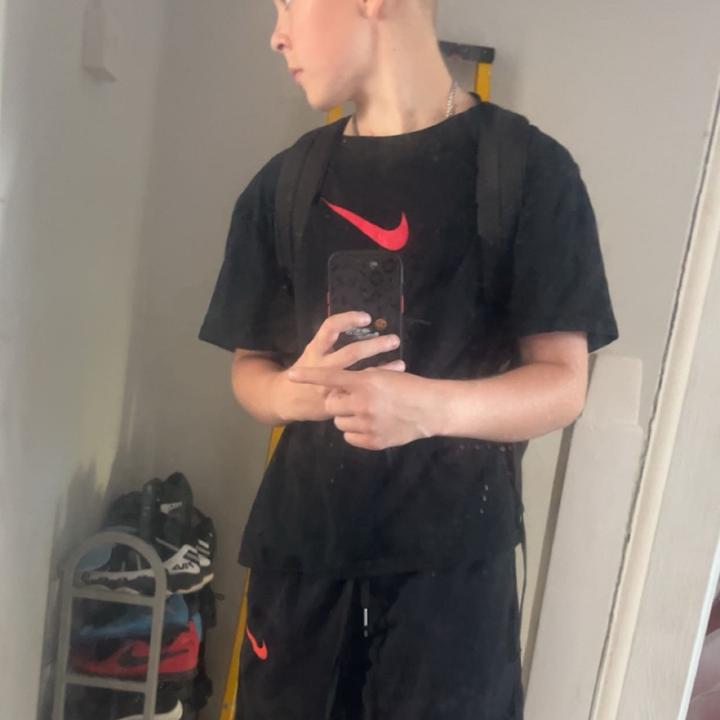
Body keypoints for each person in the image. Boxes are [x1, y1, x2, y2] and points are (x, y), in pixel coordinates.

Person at [198, 0, 619, 717]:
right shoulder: (283, 186)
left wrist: (427, 408)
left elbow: (563, 384)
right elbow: (250, 369)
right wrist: (295, 393)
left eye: (290, 3)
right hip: (300, 563)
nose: (277, 34)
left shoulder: (528, 172)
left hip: (453, 576)